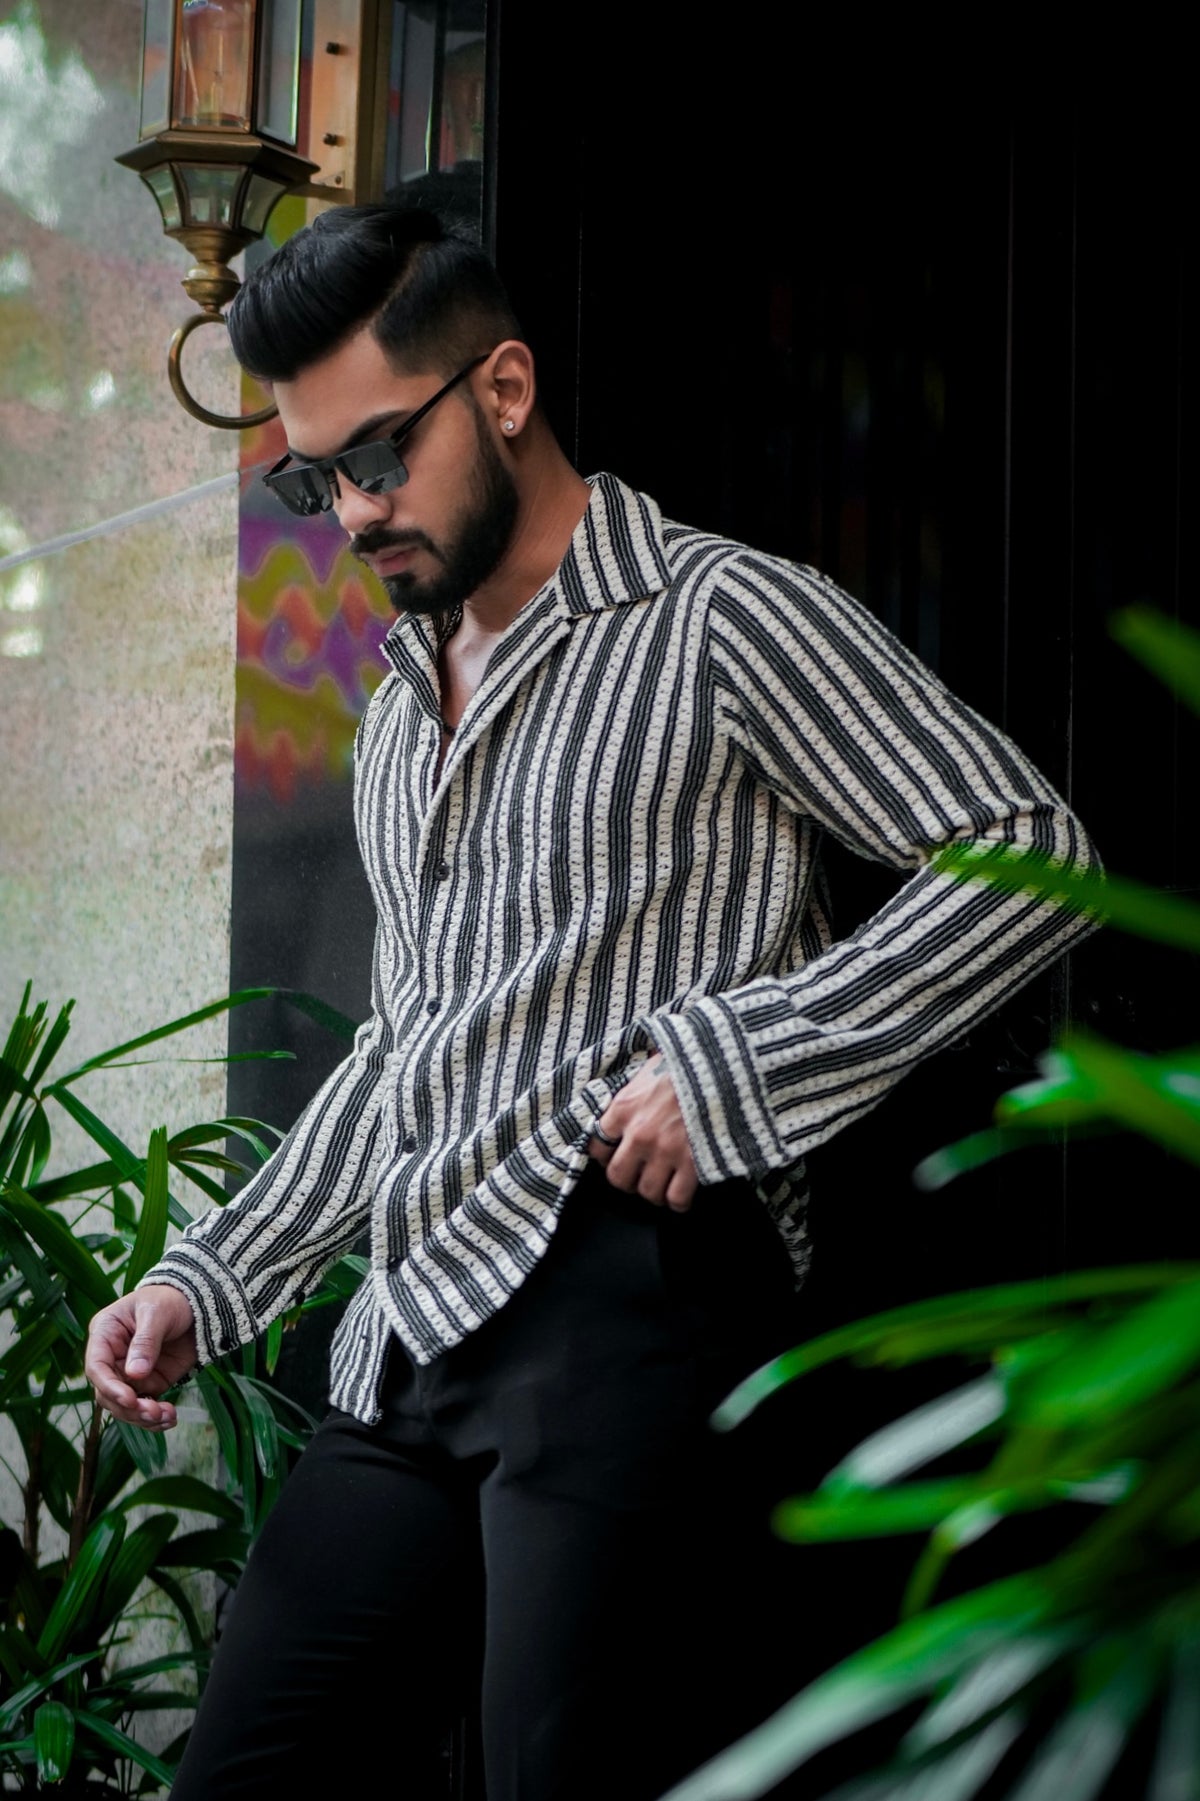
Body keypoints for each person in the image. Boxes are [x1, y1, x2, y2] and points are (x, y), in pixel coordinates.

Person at [85, 206, 1097, 1800]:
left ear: (501, 388)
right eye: (314, 476)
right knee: (244, 1774)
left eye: (379, 454)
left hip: (625, 1295)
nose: (350, 511)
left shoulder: (720, 616)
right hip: (413, 1320)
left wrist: (748, 1057)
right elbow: (408, 1051)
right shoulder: (404, 706)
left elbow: (1032, 847)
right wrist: (210, 1276)